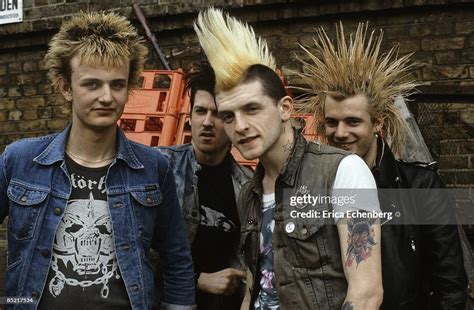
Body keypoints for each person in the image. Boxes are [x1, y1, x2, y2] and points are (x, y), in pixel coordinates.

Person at [0, 12, 195, 309]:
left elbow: (177, 258)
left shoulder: (153, 168)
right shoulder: (21, 160)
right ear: (66, 88)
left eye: (117, 85)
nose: (106, 97)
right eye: (92, 84)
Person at [194, 8, 383, 309]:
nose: (239, 126)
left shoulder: (343, 171)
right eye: (228, 116)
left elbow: (366, 293)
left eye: (252, 109)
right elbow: (255, 286)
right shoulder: (248, 193)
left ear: (285, 108)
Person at [297, 22, 468, 309]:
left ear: (378, 123)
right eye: (332, 122)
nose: (340, 133)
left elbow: (449, 283)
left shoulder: (420, 186)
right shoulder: (310, 188)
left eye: (353, 121)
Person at [157, 62, 251, 309]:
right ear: (189, 118)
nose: (207, 122)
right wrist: (197, 279)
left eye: (218, 113)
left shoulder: (248, 185)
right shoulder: (160, 167)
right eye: (200, 111)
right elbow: (136, 250)